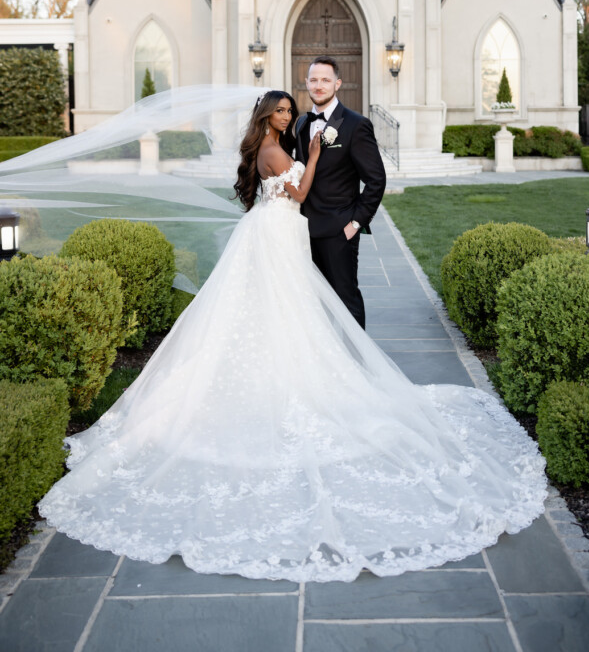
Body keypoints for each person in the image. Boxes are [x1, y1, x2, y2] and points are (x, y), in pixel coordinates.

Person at [35, 88, 547, 583]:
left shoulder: (268, 147)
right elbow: (298, 193)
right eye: (279, 110)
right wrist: (319, 153)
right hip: (278, 232)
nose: (286, 116)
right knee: (283, 306)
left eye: (289, 110)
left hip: (272, 231)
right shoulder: (275, 151)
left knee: (273, 307)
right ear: (265, 115)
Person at [294, 56, 386, 329]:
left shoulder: (356, 125)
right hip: (303, 229)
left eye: (325, 80)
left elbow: (376, 180)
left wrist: (356, 223)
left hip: (338, 230)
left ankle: (358, 363)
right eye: (313, 80)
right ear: (307, 83)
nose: (318, 85)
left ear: (338, 83)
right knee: (312, 302)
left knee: (346, 299)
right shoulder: (301, 123)